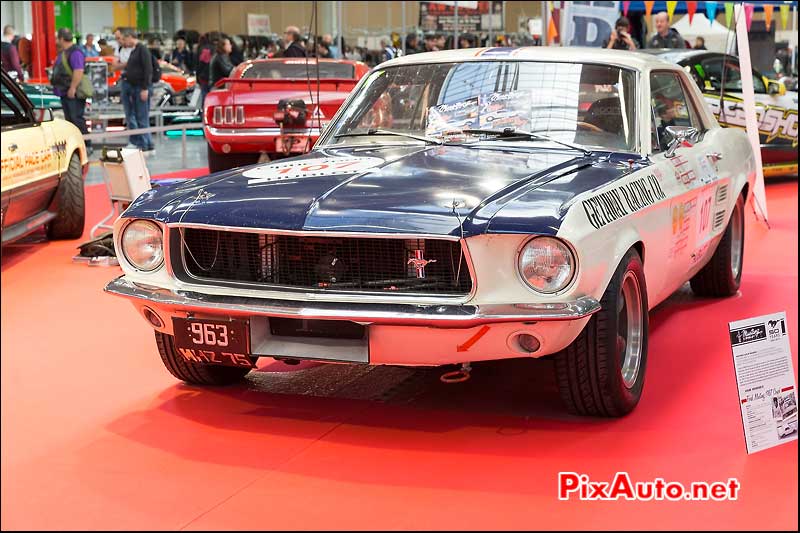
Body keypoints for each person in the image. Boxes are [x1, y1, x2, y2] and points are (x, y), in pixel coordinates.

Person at [51, 28, 91, 152]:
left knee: (77, 119)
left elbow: (78, 71)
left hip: (73, 93)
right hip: (65, 91)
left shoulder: (75, 53)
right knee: (70, 120)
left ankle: (86, 145)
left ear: (61, 39)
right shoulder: (65, 52)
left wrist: (73, 88)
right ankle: (77, 145)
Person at [120, 27, 154, 153]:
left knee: (141, 117)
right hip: (135, 87)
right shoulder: (135, 50)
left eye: (124, 39)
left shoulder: (142, 50)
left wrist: (145, 88)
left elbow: (148, 69)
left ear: (130, 37)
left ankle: (144, 143)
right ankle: (147, 143)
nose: (124, 42)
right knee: (140, 117)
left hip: (141, 88)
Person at [194, 33, 214, 106]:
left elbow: (199, 65)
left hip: (203, 77)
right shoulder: (213, 48)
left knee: (204, 96)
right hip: (212, 77)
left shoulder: (201, 49)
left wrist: (197, 77)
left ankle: (204, 113)